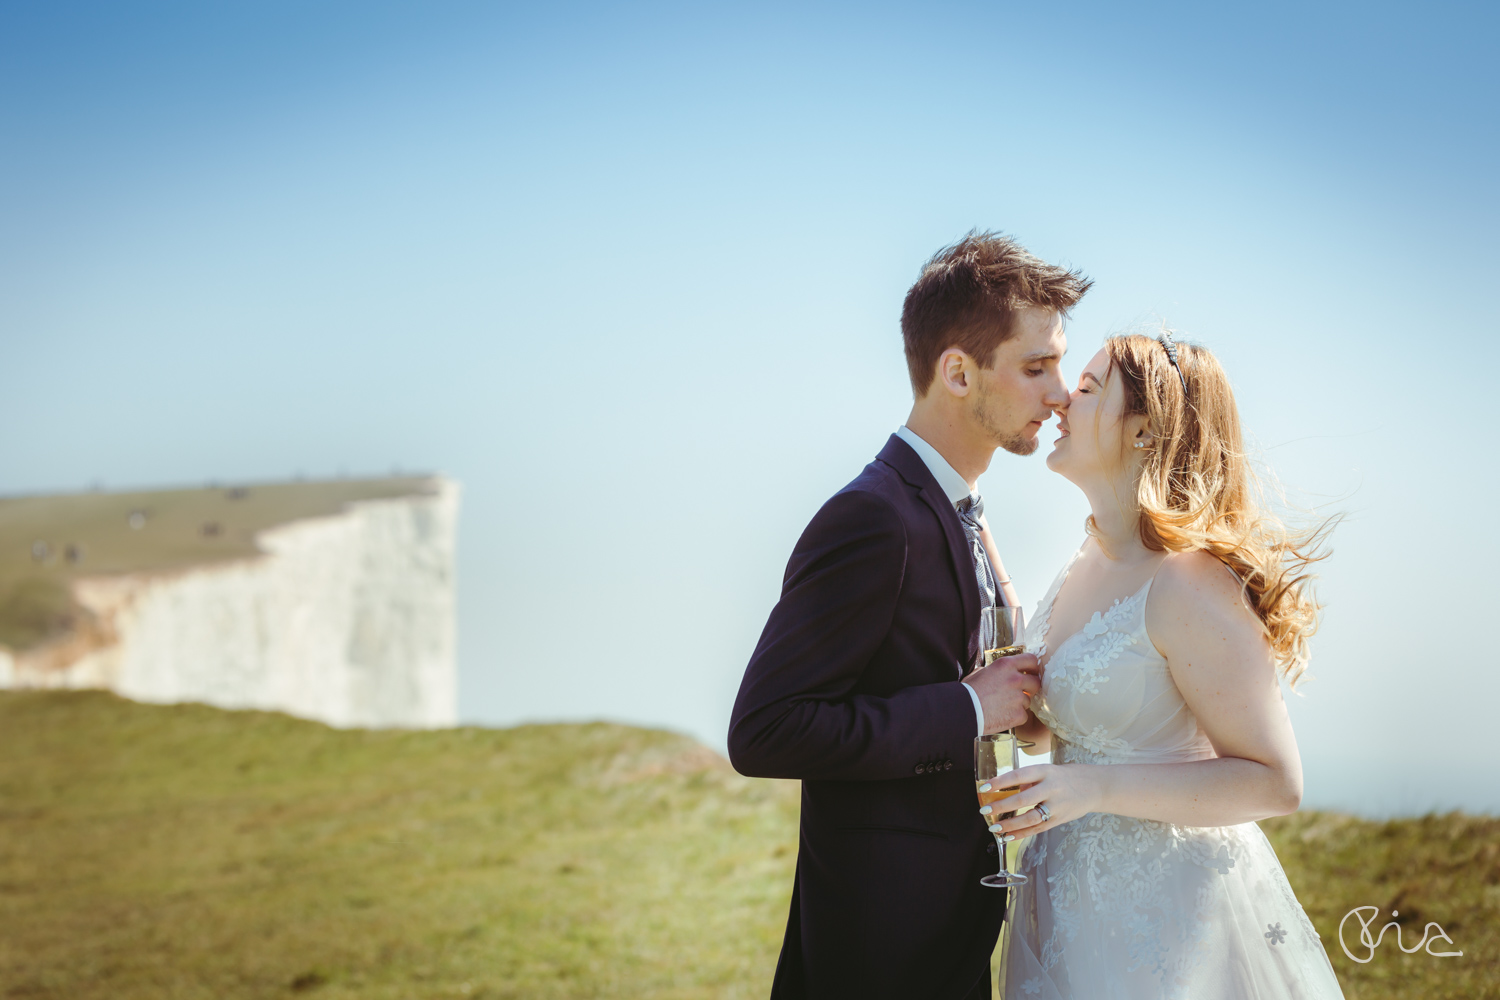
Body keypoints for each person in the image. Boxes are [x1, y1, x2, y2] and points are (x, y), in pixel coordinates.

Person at [728, 231, 1092, 999]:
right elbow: (765, 729)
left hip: (955, 928)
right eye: (1036, 368)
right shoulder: (873, 517)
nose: (1060, 394)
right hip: (876, 946)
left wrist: (1008, 708)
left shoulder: (963, 512)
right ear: (957, 371)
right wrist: (965, 707)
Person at [990, 331, 1345, 999]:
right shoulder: (1084, 561)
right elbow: (1062, 724)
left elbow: (1276, 783)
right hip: (1067, 903)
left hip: (1170, 927)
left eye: (1089, 389)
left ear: (1147, 432)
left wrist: (1088, 789)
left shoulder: (1188, 583)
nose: (1063, 399)